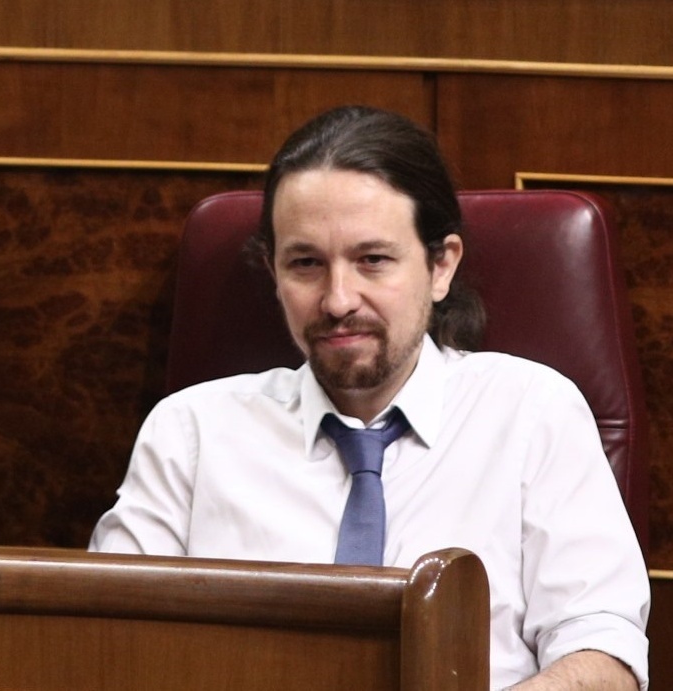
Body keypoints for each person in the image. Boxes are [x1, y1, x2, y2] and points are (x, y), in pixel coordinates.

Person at [89, 106, 649, 689]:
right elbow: (109, 646)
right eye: (306, 264)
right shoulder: (190, 433)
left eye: (372, 260)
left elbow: (603, 653)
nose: (337, 300)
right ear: (273, 273)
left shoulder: (533, 411)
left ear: (440, 266)